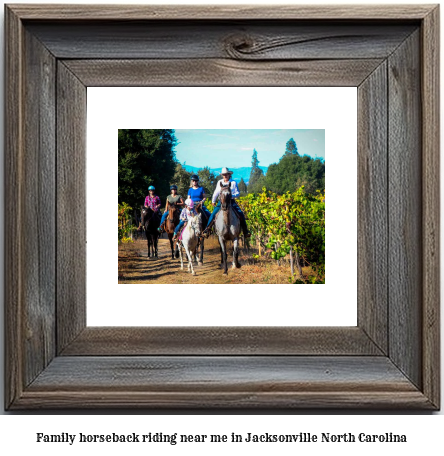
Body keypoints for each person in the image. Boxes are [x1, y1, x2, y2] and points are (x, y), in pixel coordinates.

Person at [202, 167, 251, 238]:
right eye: (224, 175)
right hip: (221, 202)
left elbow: (238, 193)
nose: (225, 176)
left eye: (226, 174)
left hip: (231, 201)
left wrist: (232, 196)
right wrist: (213, 200)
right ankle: (207, 229)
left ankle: (245, 231)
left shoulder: (233, 183)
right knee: (213, 214)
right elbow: (216, 192)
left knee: (241, 214)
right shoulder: (219, 182)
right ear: (222, 175)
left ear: (229, 174)